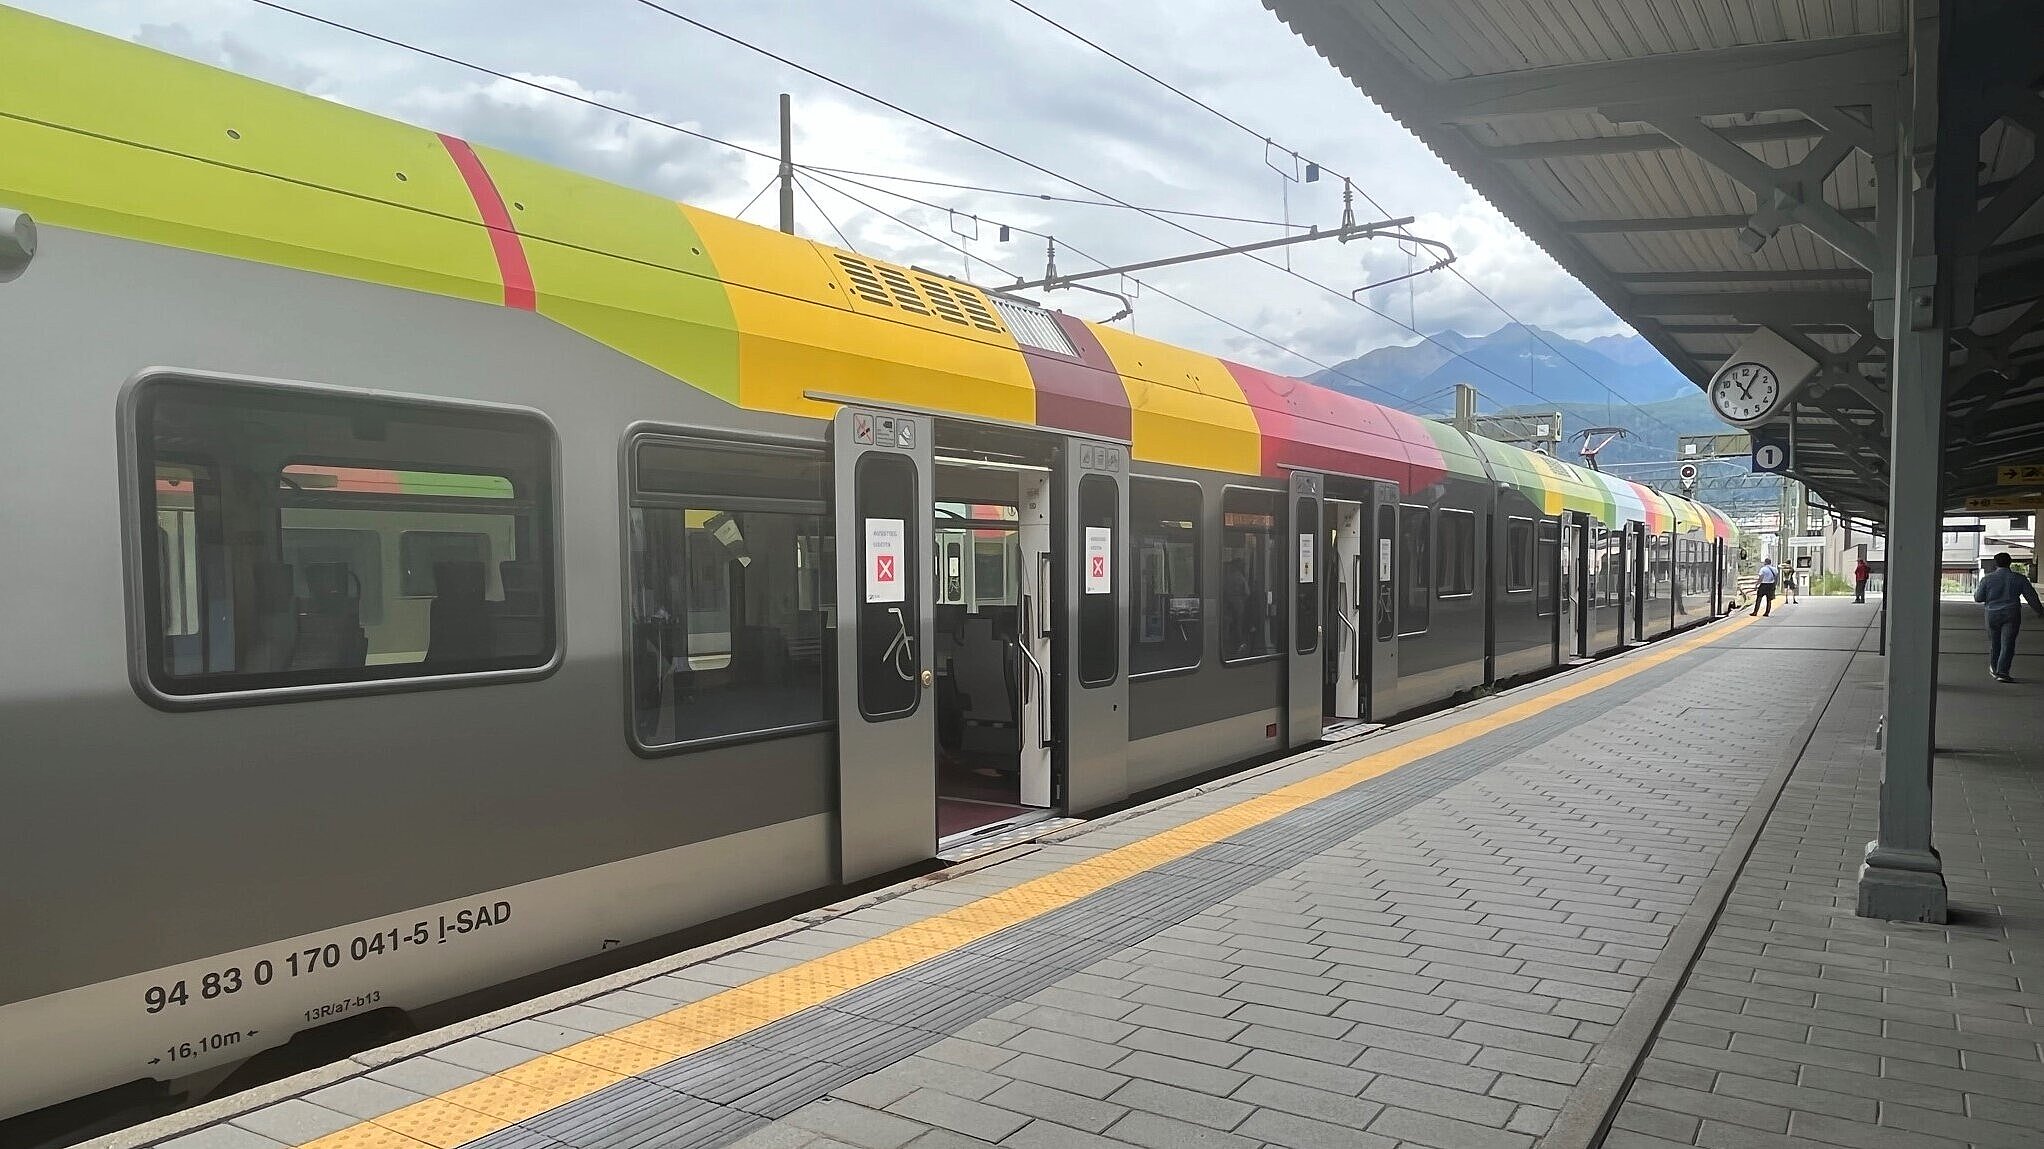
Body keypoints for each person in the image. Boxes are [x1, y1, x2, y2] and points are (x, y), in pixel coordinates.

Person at [1973, 551, 2044, 683]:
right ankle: (2003, 672)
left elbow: (1978, 598)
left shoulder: (1987, 579)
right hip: (2012, 614)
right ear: (2010, 563)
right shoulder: (2019, 578)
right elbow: (2031, 597)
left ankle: (1994, 669)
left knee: (1995, 643)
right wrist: (2040, 611)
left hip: (1992, 615)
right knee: (2008, 644)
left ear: (1995, 564)